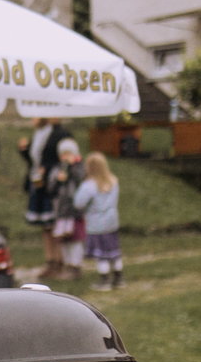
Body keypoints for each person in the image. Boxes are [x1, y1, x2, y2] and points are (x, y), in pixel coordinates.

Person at [17, 117, 73, 278]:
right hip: (39, 184)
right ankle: (51, 260)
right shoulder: (38, 134)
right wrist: (24, 151)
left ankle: (61, 260)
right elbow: (35, 161)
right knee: (46, 226)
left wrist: (47, 170)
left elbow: (63, 160)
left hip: (53, 186)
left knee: (55, 224)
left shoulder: (60, 134)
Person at [73, 151, 124, 290]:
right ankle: (119, 277)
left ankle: (105, 279)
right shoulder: (113, 181)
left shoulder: (89, 185)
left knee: (101, 253)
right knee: (114, 250)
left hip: (96, 223)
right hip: (112, 221)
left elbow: (78, 203)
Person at [49, 137, 86, 280]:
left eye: (68, 153)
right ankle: (67, 264)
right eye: (63, 154)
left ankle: (76, 265)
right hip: (61, 210)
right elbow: (51, 189)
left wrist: (71, 169)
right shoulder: (57, 169)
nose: (65, 157)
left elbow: (81, 182)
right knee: (63, 239)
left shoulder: (79, 168)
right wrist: (58, 181)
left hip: (75, 210)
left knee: (76, 238)